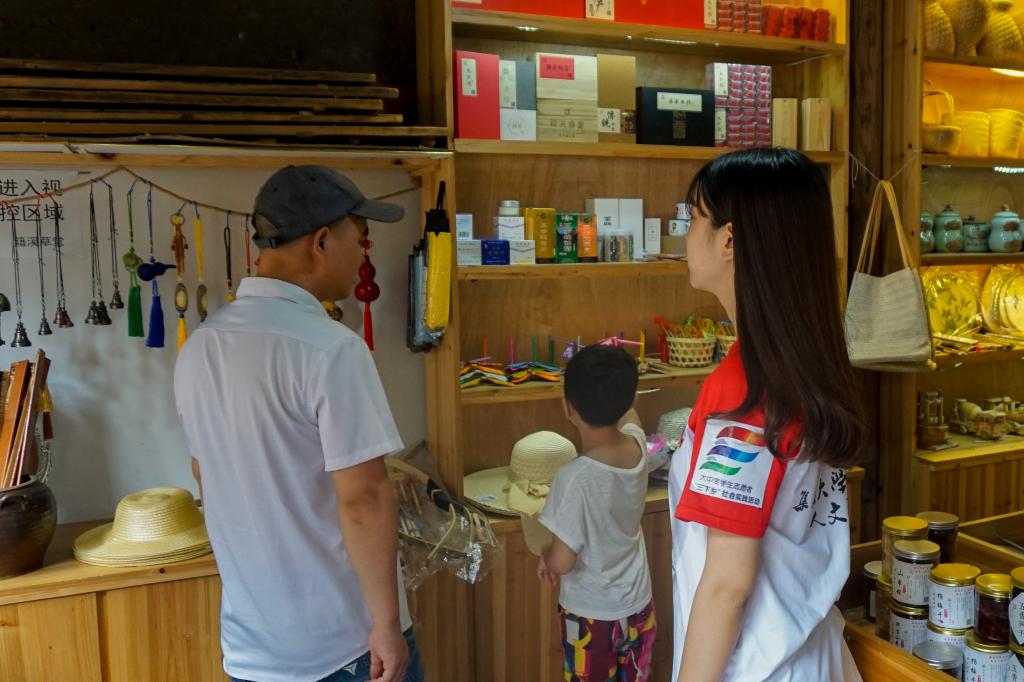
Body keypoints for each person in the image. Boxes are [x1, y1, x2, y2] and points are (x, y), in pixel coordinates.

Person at [174, 165, 423, 682]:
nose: (364, 255)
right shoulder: (330, 348)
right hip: (344, 644)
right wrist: (385, 624)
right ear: (322, 241)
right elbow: (363, 497)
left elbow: (205, 476)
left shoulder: (201, 346)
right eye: (361, 238)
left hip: (252, 647)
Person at [668, 148, 866, 681]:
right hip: (811, 652)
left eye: (693, 218)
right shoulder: (802, 365)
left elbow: (727, 586)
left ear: (729, 241)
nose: (686, 235)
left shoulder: (745, 392)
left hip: (759, 667)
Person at [535, 344, 657, 682]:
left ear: (567, 407)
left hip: (591, 617)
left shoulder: (574, 479)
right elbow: (632, 420)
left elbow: (563, 561)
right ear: (632, 400)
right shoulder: (637, 446)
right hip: (639, 606)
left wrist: (546, 555)